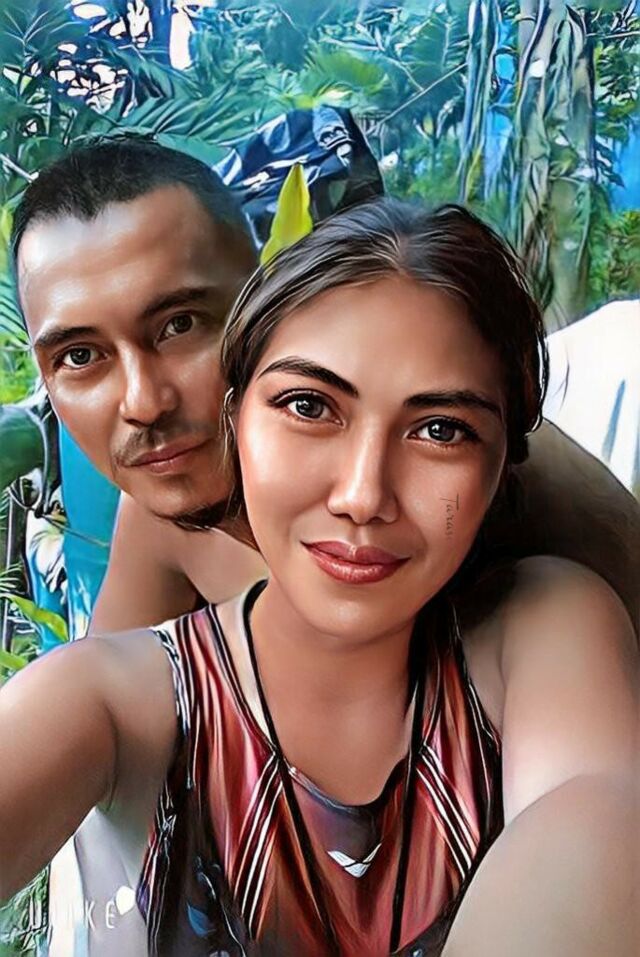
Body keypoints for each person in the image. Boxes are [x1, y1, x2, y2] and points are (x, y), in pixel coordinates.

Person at [2, 200, 637, 957]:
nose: (363, 495)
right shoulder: (155, 562)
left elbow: (594, 817)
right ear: (239, 412)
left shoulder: (546, 602)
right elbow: (106, 703)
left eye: (441, 429)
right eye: (309, 406)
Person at [13, 136, 640, 640]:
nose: (144, 404)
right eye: (79, 356)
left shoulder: (471, 491)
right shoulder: (170, 510)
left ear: (267, 301)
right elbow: (98, 697)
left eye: (181, 325)